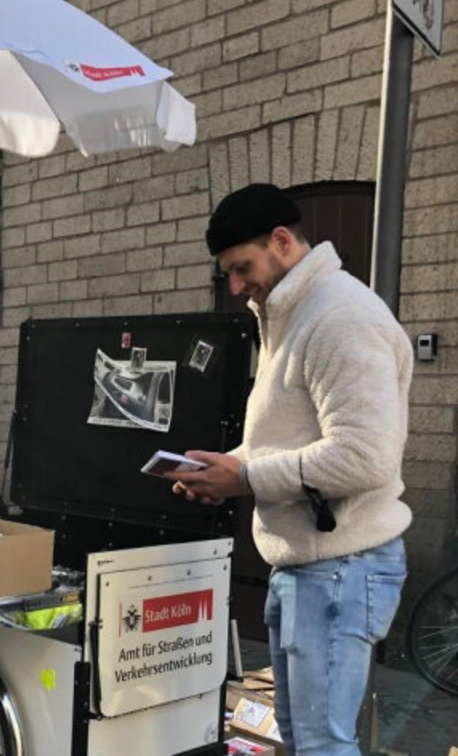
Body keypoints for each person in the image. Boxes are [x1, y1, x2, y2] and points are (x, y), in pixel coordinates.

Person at [167, 184, 412, 756]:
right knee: (306, 740)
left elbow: (364, 456)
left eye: (242, 267)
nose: (235, 285)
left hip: (339, 568)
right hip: (314, 567)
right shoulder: (293, 312)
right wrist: (232, 464)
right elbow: (296, 437)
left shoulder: (340, 318)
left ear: (282, 242)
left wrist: (246, 479)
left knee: (322, 744)